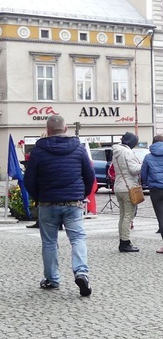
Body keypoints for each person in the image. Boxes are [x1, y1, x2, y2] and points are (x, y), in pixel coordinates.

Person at [25, 114, 95, 296]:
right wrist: (82, 195)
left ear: (47, 130)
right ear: (65, 129)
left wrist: (38, 197)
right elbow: (90, 177)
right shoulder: (79, 149)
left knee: (49, 242)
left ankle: (52, 279)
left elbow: (29, 180)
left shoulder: (38, 151)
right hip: (73, 202)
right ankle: (81, 272)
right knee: (78, 238)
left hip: (47, 202)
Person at [112, 132, 142, 253]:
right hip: (128, 187)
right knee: (128, 216)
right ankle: (125, 242)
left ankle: (122, 240)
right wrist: (143, 164)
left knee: (122, 216)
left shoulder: (116, 152)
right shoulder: (127, 152)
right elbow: (134, 169)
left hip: (119, 186)